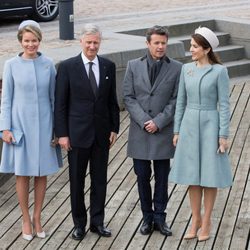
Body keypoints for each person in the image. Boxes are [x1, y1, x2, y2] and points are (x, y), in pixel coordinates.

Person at [54, 23, 120, 240]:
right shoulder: (67, 67)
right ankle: (79, 224)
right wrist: (62, 134)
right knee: (77, 181)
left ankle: (97, 222)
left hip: (101, 135)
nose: (92, 46)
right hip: (76, 135)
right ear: (81, 42)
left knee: (100, 180)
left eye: (96, 42)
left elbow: (112, 101)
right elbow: (60, 104)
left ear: (100, 43)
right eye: (89, 42)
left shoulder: (108, 66)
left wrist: (114, 128)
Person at [169, 27, 232, 242]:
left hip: (210, 125)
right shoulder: (186, 69)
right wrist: (177, 130)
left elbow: (224, 104)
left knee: (209, 176)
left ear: (206, 49)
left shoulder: (219, 71)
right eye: (191, 45)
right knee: (192, 176)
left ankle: (207, 221)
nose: (191, 49)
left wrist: (223, 134)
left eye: (195, 46)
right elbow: (180, 102)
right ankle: (195, 219)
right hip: (188, 124)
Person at [0, 20, 61, 241]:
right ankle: (25, 218)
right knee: (22, 172)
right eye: (26, 40)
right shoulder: (11, 65)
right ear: (20, 41)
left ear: (39, 40)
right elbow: (6, 100)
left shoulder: (48, 64)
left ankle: (38, 217)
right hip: (20, 126)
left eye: (34, 40)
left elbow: (55, 99)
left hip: (45, 125)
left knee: (41, 172)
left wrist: (57, 128)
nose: (30, 44)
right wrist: (4, 129)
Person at [123, 25, 182, 236]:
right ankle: (147, 218)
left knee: (162, 177)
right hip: (140, 132)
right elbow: (128, 97)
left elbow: (176, 100)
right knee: (142, 176)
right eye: (156, 43)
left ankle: (160, 218)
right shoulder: (132, 65)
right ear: (148, 43)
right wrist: (144, 120)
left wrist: (158, 121)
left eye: (163, 43)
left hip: (162, 131)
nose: (160, 47)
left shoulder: (176, 68)